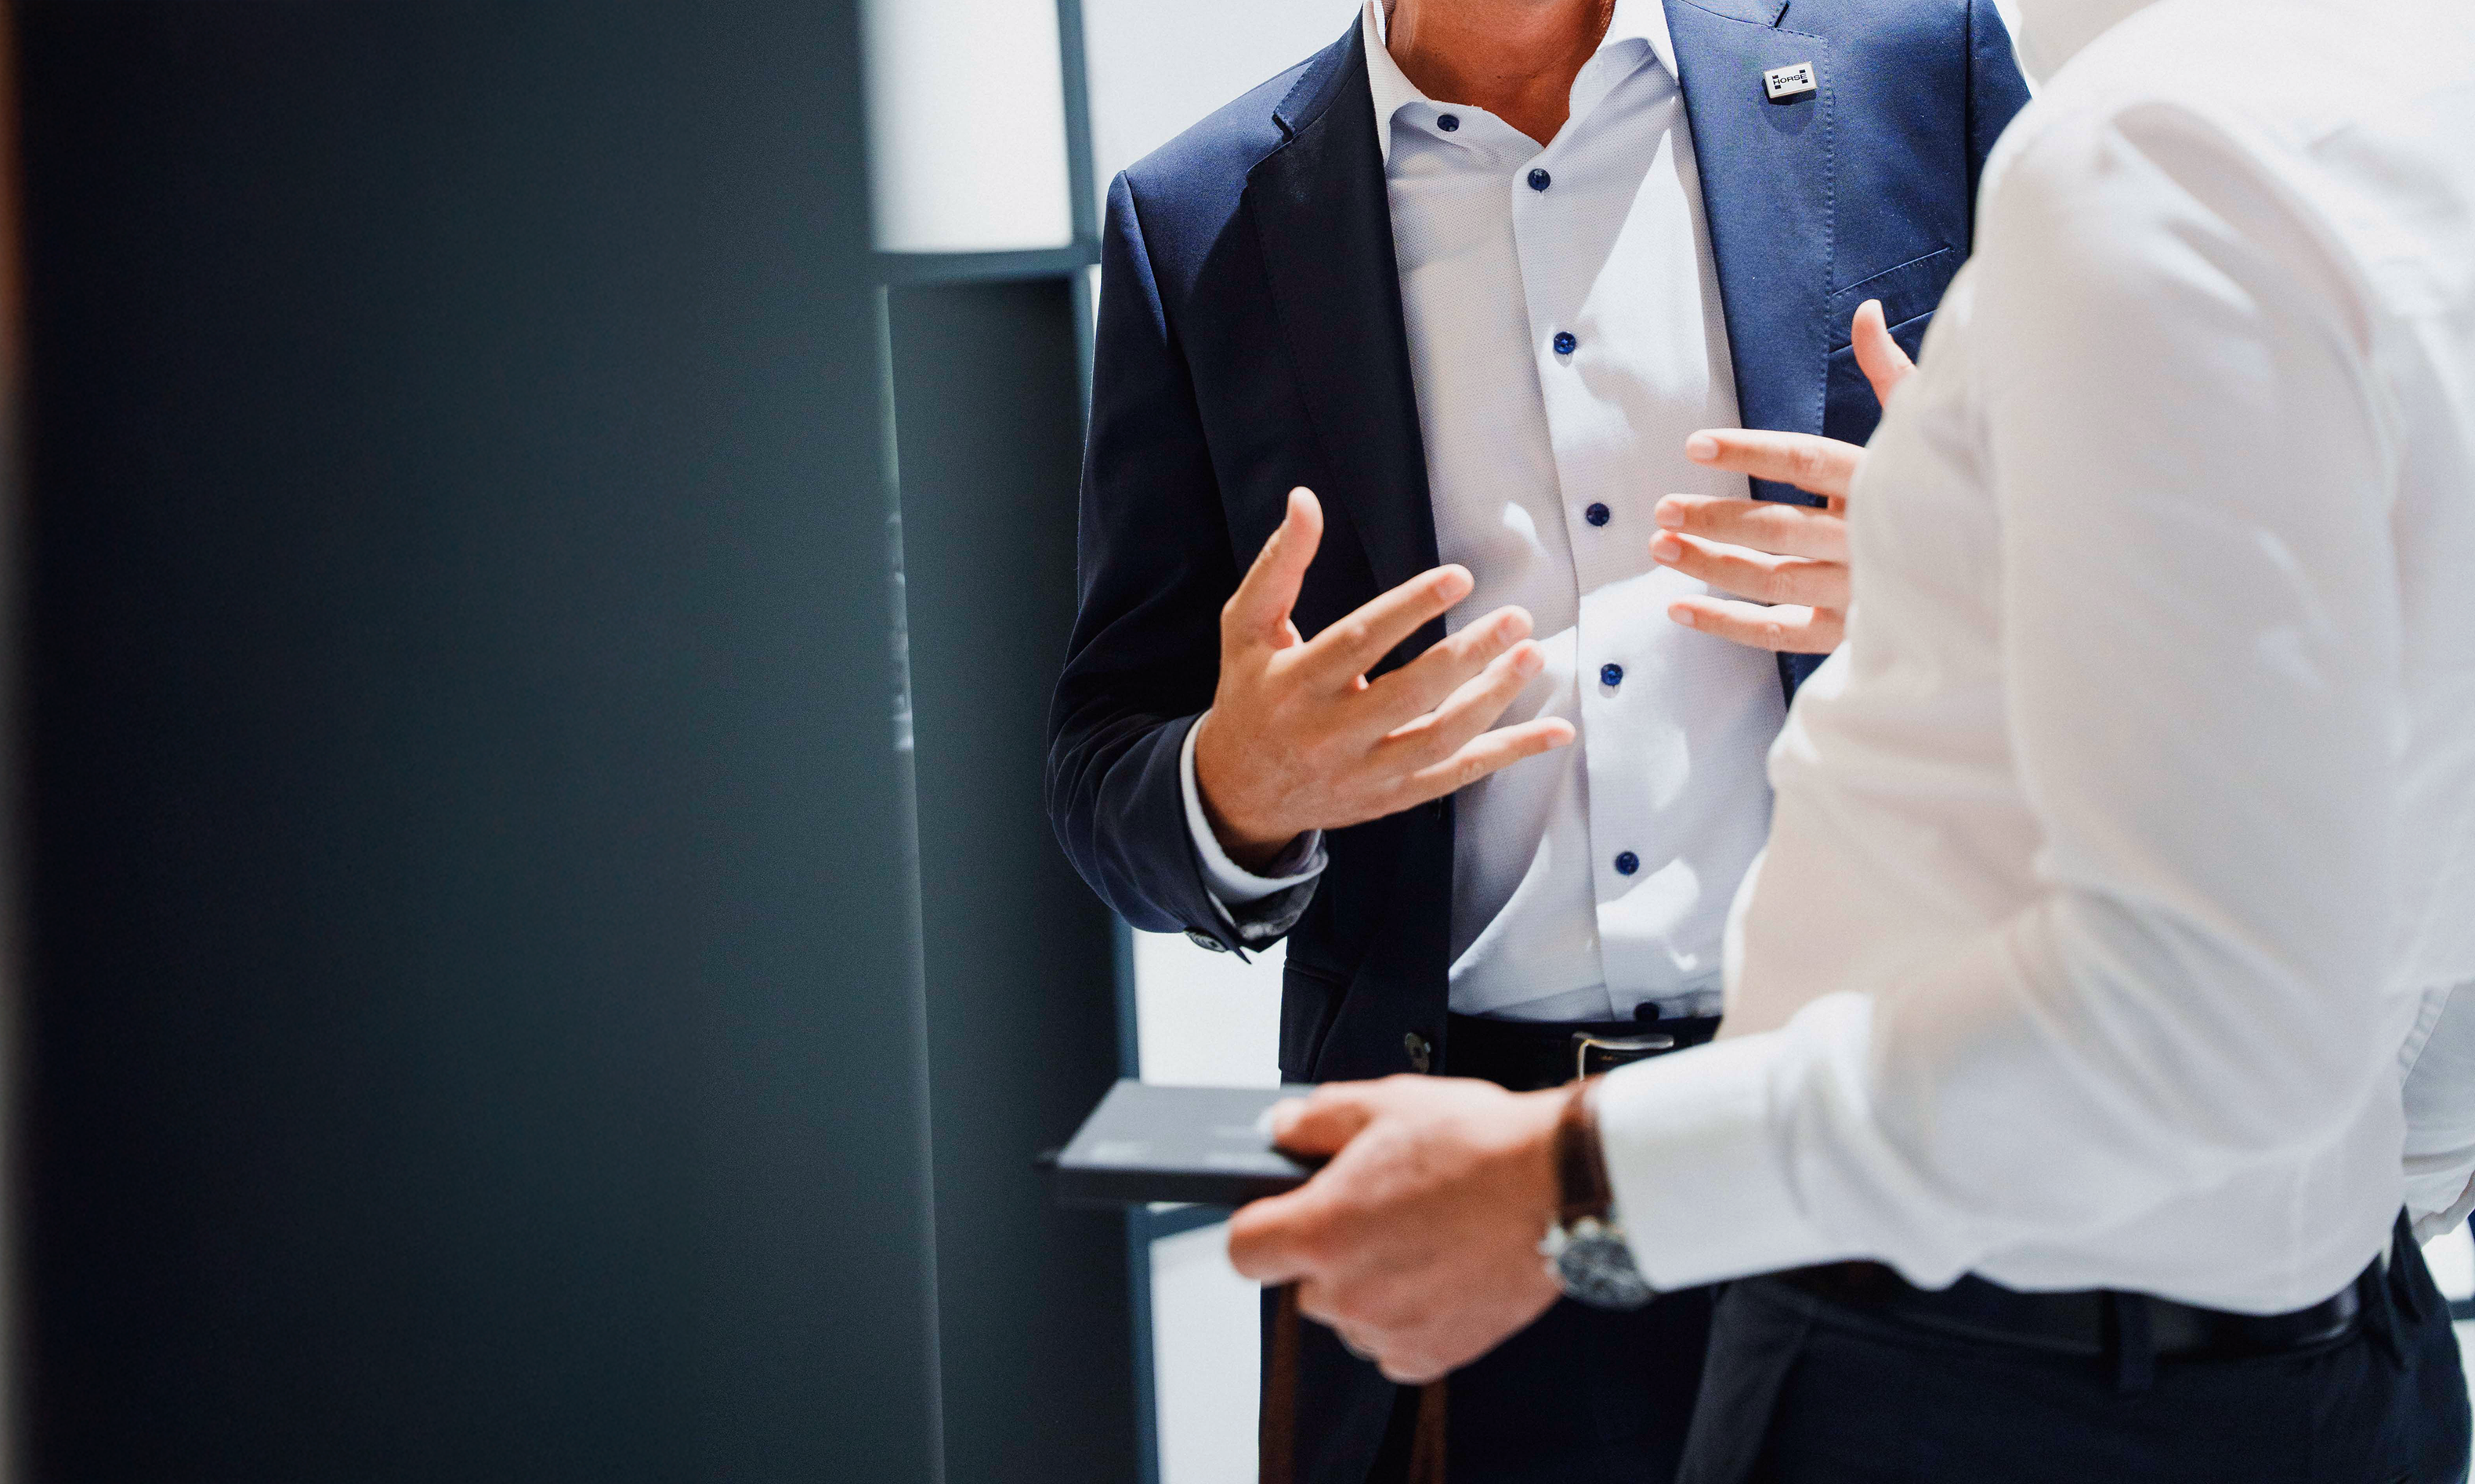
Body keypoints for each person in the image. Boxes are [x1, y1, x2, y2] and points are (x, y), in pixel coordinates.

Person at [1220, 0, 2475, 1478]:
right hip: (2298, 1321)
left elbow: (2192, 1004)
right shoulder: (2412, 104)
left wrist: (1573, 1183)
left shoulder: (2140, 151)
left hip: (1979, 1344)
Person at [1044, 0, 2023, 1475]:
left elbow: (2176, 555)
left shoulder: (1915, 64)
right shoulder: (1194, 217)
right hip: (1469, 1210)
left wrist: (1973, 577)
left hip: (1891, 1137)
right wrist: (1236, 786)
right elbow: (1102, 766)